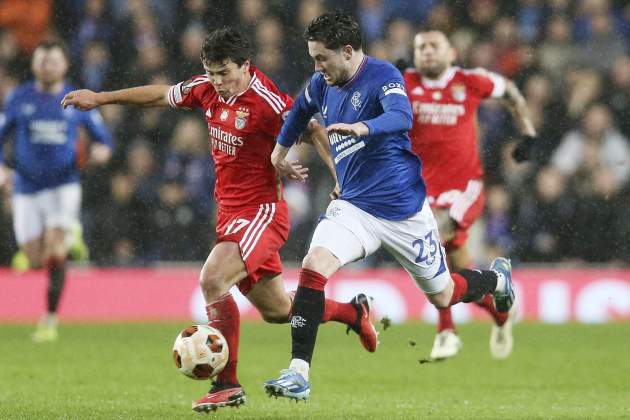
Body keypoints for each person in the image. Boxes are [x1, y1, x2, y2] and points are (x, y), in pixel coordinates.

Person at [61, 28, 377, 413]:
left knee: (212, 279)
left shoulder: (267, 101)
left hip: (262, 213)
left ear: (246, 65)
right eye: (211, 73)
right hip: (229, 215)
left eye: (225, 73)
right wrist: (100, 99)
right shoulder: (207, 89)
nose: (218, 82)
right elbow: (161, 94)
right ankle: (352, 312)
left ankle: (227, 383)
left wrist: (339, 178)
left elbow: (311, 129)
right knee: (278, 311)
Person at [263, 11, 515, 401]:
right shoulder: (320, 84)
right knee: (313, 269)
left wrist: (363, 127)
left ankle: (497, 280)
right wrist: (278, 156)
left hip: (405, 214)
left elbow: (401, 116)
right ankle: (298, 372)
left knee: (444, 294)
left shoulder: (384, 76)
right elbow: (298, 113)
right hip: (354, 208)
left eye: (322, 58)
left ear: (347, 52)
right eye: (313, 58)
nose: (317, 67)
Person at [404, 30, 537, 360]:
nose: (427, 52)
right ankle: (501, 312)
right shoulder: (402, 83)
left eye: (434, 46)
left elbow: (510, 92)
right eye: (421, 48)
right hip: (422, 191)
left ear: (451, 52)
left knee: (430, 241)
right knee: (458, 274)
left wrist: (528, 132)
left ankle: (446, 330)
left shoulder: (471, 80)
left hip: (465, 187)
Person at [0, 39, 112, 343]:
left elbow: (103, 138)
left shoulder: (75, 99)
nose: (48, 66)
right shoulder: (19, 97)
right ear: (35, 65)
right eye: (42, 61)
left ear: (64, 65)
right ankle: (70, 235)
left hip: (63, 186)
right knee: (34, 259)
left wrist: (101, 150)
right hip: (26, 187)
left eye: (53, 61)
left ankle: (49, 319)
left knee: (55, 250)